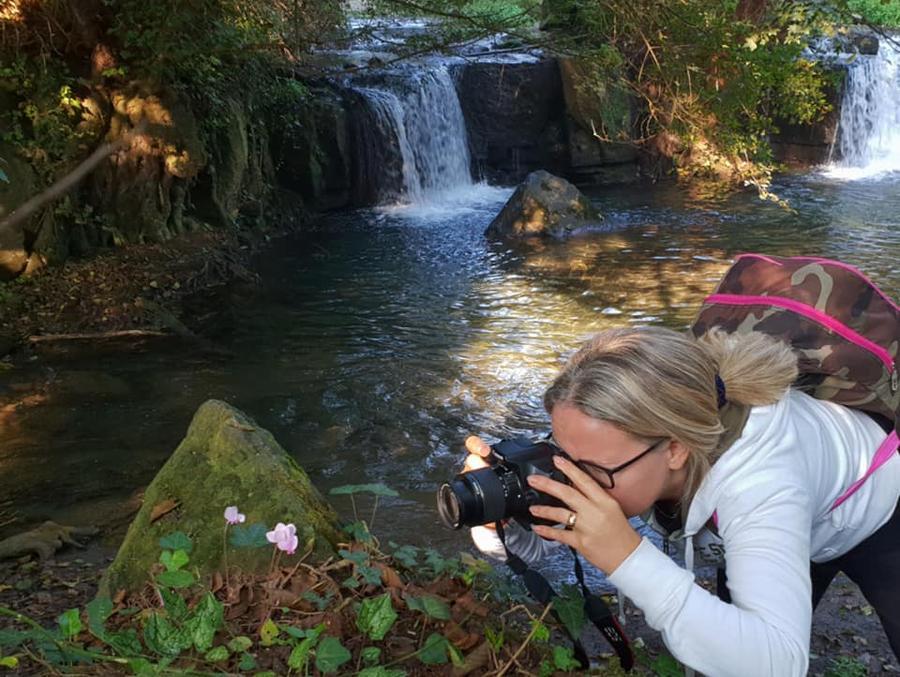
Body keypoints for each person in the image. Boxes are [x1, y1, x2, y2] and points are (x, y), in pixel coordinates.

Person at [464, 326, 900, 676]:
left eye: (593, 471)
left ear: (674, 449)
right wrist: (496, 524)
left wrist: (628, 558)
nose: (577, 483)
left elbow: (777, 664)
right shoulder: (621, 447)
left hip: (879, 508)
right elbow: (547, 540)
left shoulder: (761, 483)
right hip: (781, 509)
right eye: (561, 456)